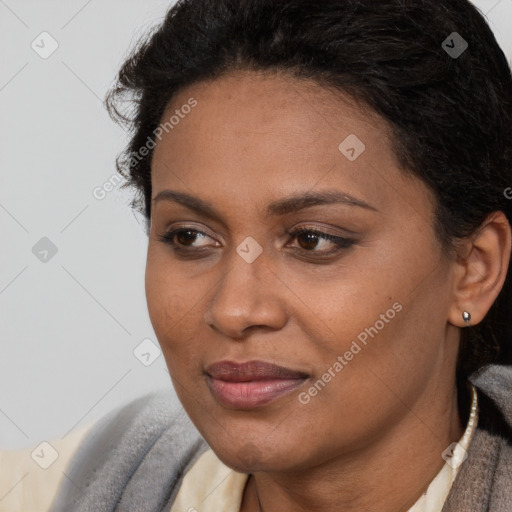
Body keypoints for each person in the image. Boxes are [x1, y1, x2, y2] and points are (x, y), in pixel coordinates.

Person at [46, 0, 512, 510]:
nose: (233, 311)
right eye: (190, 237)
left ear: (474, 269)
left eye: (312, 240)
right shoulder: (85, 478)